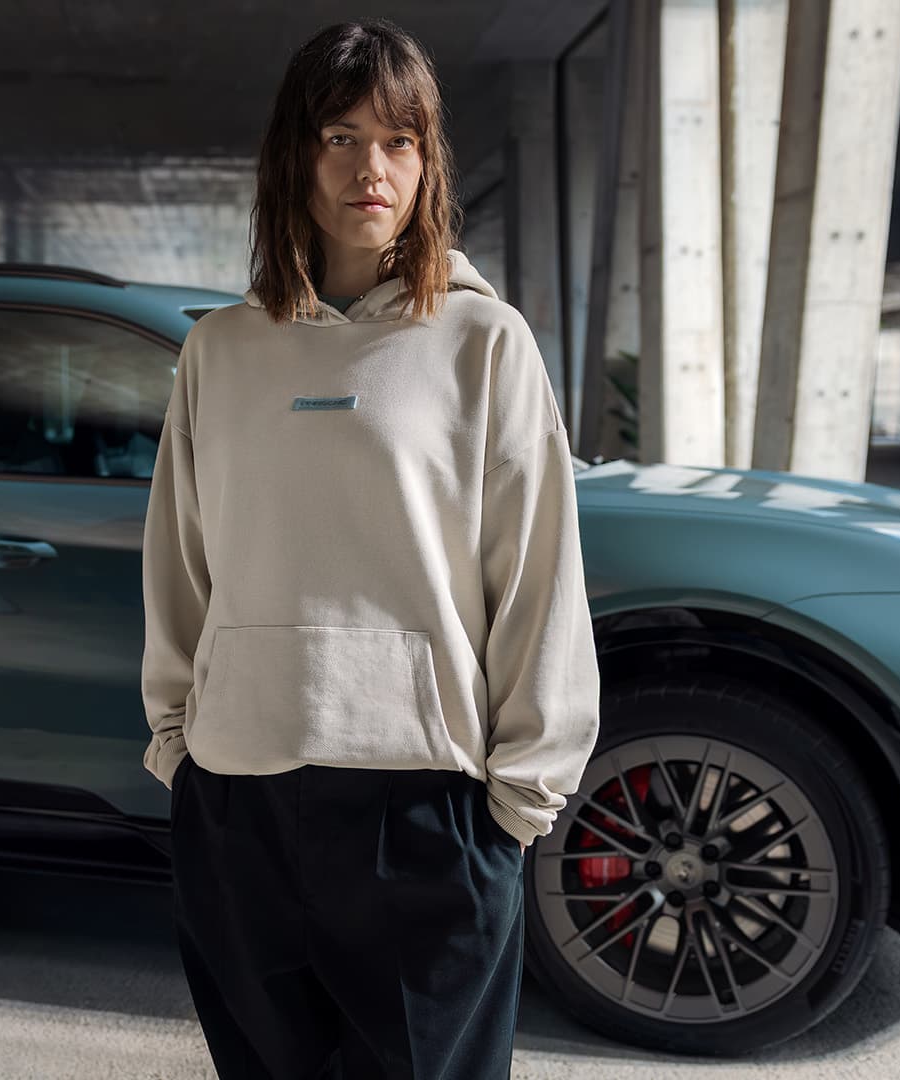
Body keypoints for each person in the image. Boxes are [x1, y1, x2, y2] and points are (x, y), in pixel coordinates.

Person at [141, 19, 600, 1077]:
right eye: (340, 137)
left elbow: (536, 575)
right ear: (294, 155)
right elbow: (181, 560)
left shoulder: (484, 342)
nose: (370, 169)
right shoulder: (221, 350)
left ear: (429, 161)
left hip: (427, 802)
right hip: (239, 793)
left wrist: (520, 801)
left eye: (399, 141)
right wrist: (178, 745)